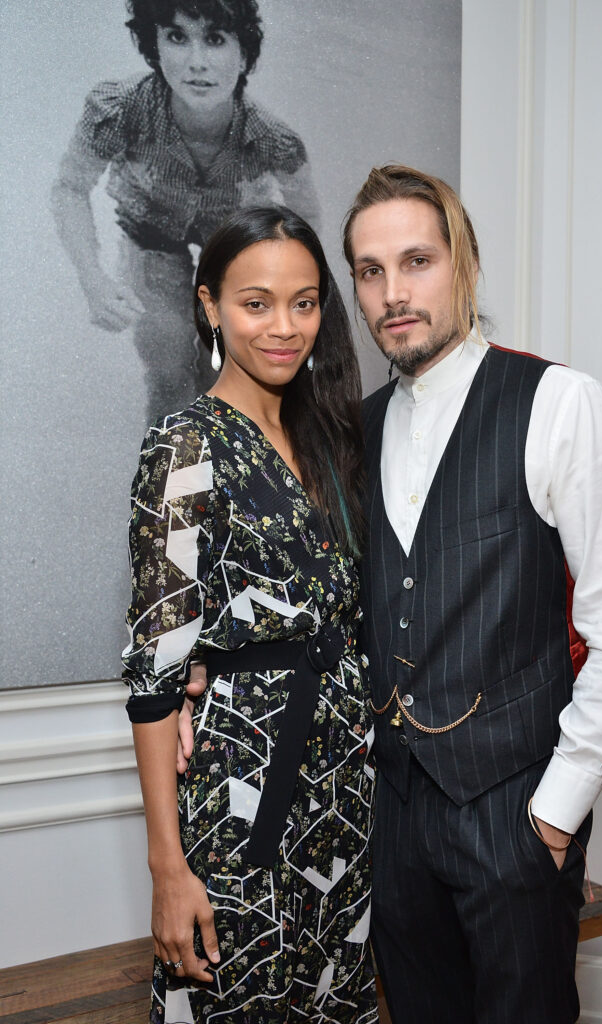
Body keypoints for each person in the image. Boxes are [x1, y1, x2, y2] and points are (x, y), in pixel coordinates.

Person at [178, 163, 602, 1024]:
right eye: (369, 272)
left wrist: (548, 824)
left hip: (514, 813)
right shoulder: (350, 432)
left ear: (464, 264)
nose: (392, 292)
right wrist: (200, 670)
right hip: (389, 819)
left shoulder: (558, 405)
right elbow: (312, 598)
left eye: (416, 262)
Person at [123, 206, 377, 1024]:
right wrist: (168, 867)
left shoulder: (332, 434)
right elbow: (156, 670)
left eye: (304, 302)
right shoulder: (184, 443)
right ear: (209, 305)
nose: (284, 327)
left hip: (347, 788)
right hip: (244, 785)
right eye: (255, 302)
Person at [52, 0, 320, 422]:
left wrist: (293, 299)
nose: (197, 63)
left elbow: (307, 220)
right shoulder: (118, 110)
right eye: (177, 37)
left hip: (235, 247)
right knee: (168, 364)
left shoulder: (273, 139)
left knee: (224, 370)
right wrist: (93, 279)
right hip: (149, 233)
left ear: (245, 53)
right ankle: (174, 487)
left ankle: (221, 472)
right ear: (153, 45)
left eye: (215, 39)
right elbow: (70, 188)